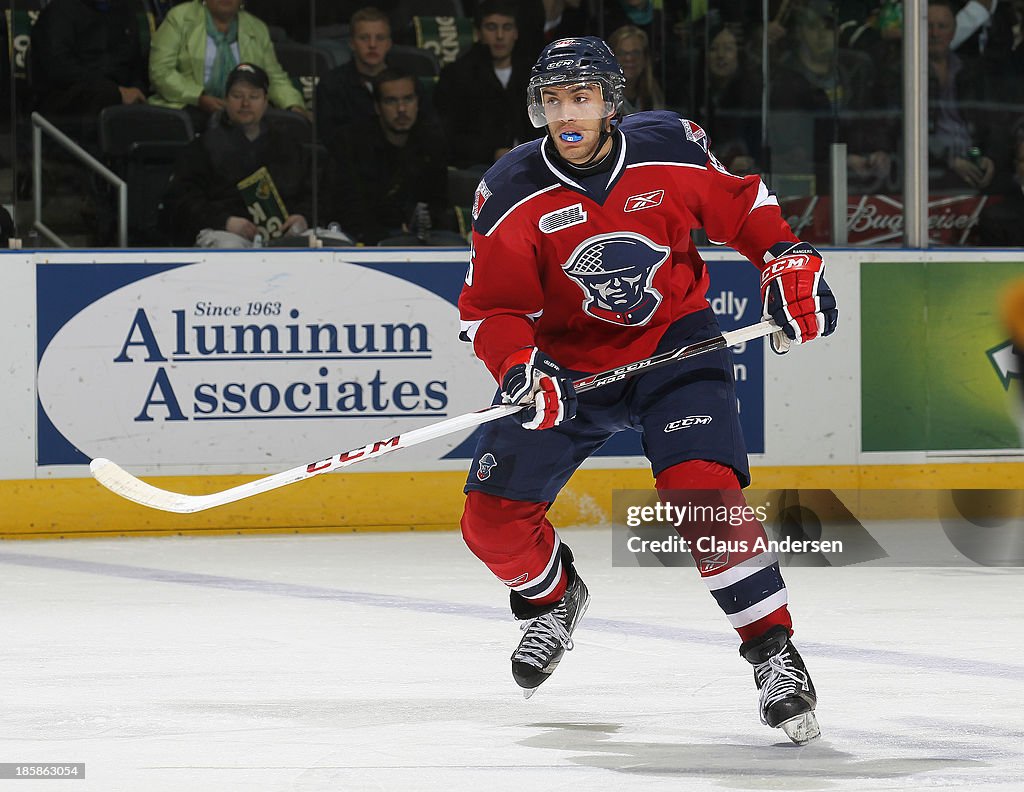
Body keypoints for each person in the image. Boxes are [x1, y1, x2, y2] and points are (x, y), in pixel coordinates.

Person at [457, 36, 837, 745]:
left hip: (673, 350)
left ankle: (774, 653)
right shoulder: (510, 190)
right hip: (566, 370)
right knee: (491, 525)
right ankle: (552, 597)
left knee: (704, 497)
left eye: (582, 97)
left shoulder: (669, 148)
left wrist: (784, 258)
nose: (567, 114)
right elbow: (494, 308)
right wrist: (518, 369)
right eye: (552, 99)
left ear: (610, 102)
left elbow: (742, 208)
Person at [161, 63, 314, 247]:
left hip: (284, 236)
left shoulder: (289, 147)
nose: (245, 104)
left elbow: (313, 194)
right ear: (225, 100)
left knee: (332, 242)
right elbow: (182, 202)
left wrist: (302, 217)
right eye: (237, 96)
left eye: (254, 96)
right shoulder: (202, 148)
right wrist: (225, 221)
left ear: (266, 102)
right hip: (224, 233)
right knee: (230, 248)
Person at [328, 69, 461, 245]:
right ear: (377, 107)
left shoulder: (431, 141)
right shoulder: (352, 143)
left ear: (418, 102)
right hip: (367, 237)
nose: (401, 109)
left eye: (408, 99)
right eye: (391, 101)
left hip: (419, 236)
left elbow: (438, 203)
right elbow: (350, 208)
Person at [148, 0, 307, 129]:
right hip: (188, 106)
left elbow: (273, 78)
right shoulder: (179, 18)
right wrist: (199, 97)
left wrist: (293, 106)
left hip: (243, 110)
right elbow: (161, 71)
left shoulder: (257, 28)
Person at [433, 0, 540, 171]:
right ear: (478, 33)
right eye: (491, 27)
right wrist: (493, 152)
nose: (499, 35)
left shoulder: (532, 74)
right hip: (477, 167)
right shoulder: (456, 75)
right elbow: (447, 137)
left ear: (516, 33)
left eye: (507, 27)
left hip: (530, 163)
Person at [29, 0, 149, 140]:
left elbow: (135, 64)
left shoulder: (124, 12)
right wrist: (118, 91)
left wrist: (137, 89)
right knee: (105, 92)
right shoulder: (59, 11)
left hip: (117, 94)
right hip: (67, 97)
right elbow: (58, 67)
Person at [315, 6, 393, 145]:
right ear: (351, 43)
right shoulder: (331, 85)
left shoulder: (407, 83)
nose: (372, 45)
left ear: (389, 44)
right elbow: (329, 140)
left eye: (380, 38)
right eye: (364, 38)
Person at [607, 25, 665, 114]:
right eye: (622, 53)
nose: (629, 58)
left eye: (636, 53)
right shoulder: (601, 97)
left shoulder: (654, 91)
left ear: (645, 58)